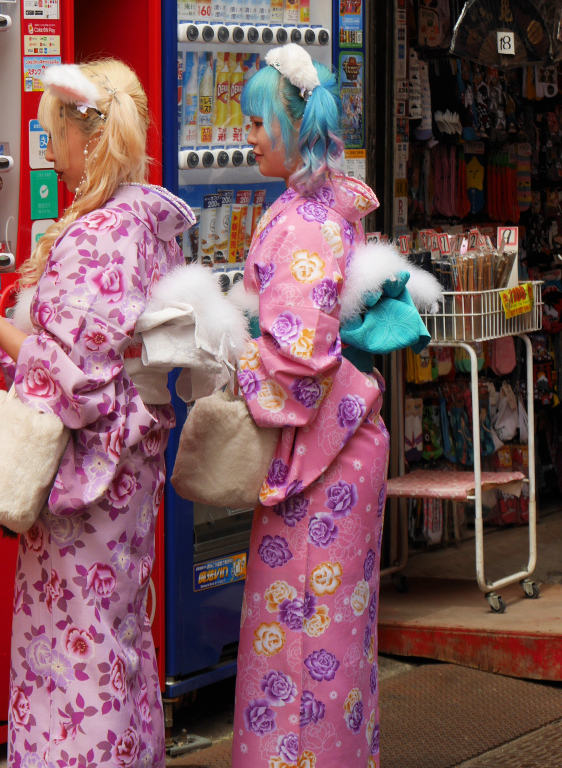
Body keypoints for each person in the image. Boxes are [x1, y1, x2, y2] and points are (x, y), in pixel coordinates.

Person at [0, 59, 195, 768]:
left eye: (52, 134)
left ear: (87, 134)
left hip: (86, 496)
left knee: (73, 659)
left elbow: (64, 379)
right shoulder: (145, 222)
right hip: (127, 481)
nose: (48, 152)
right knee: (117, 643)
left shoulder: (95, 238)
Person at [232, 43, 386, 767]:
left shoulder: (299, 223)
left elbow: (296, 371)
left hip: (318, 468)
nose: (250, 135)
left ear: (293, 126)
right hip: (344, 451)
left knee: (299, 648)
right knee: (336, 643)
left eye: (259, 121)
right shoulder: (322, 207)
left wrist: (227, 352)